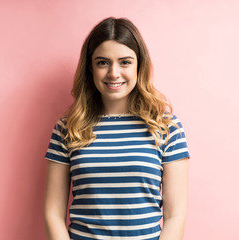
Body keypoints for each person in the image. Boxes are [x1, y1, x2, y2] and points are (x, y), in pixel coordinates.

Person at [43, 16, 190, 240]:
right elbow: (53, 213)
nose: (114, 73)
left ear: (139, 66)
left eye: (125, 62)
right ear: (90, 68)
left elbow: (175, 215)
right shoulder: (67, 128)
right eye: (102, 62)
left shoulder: (166, 127)